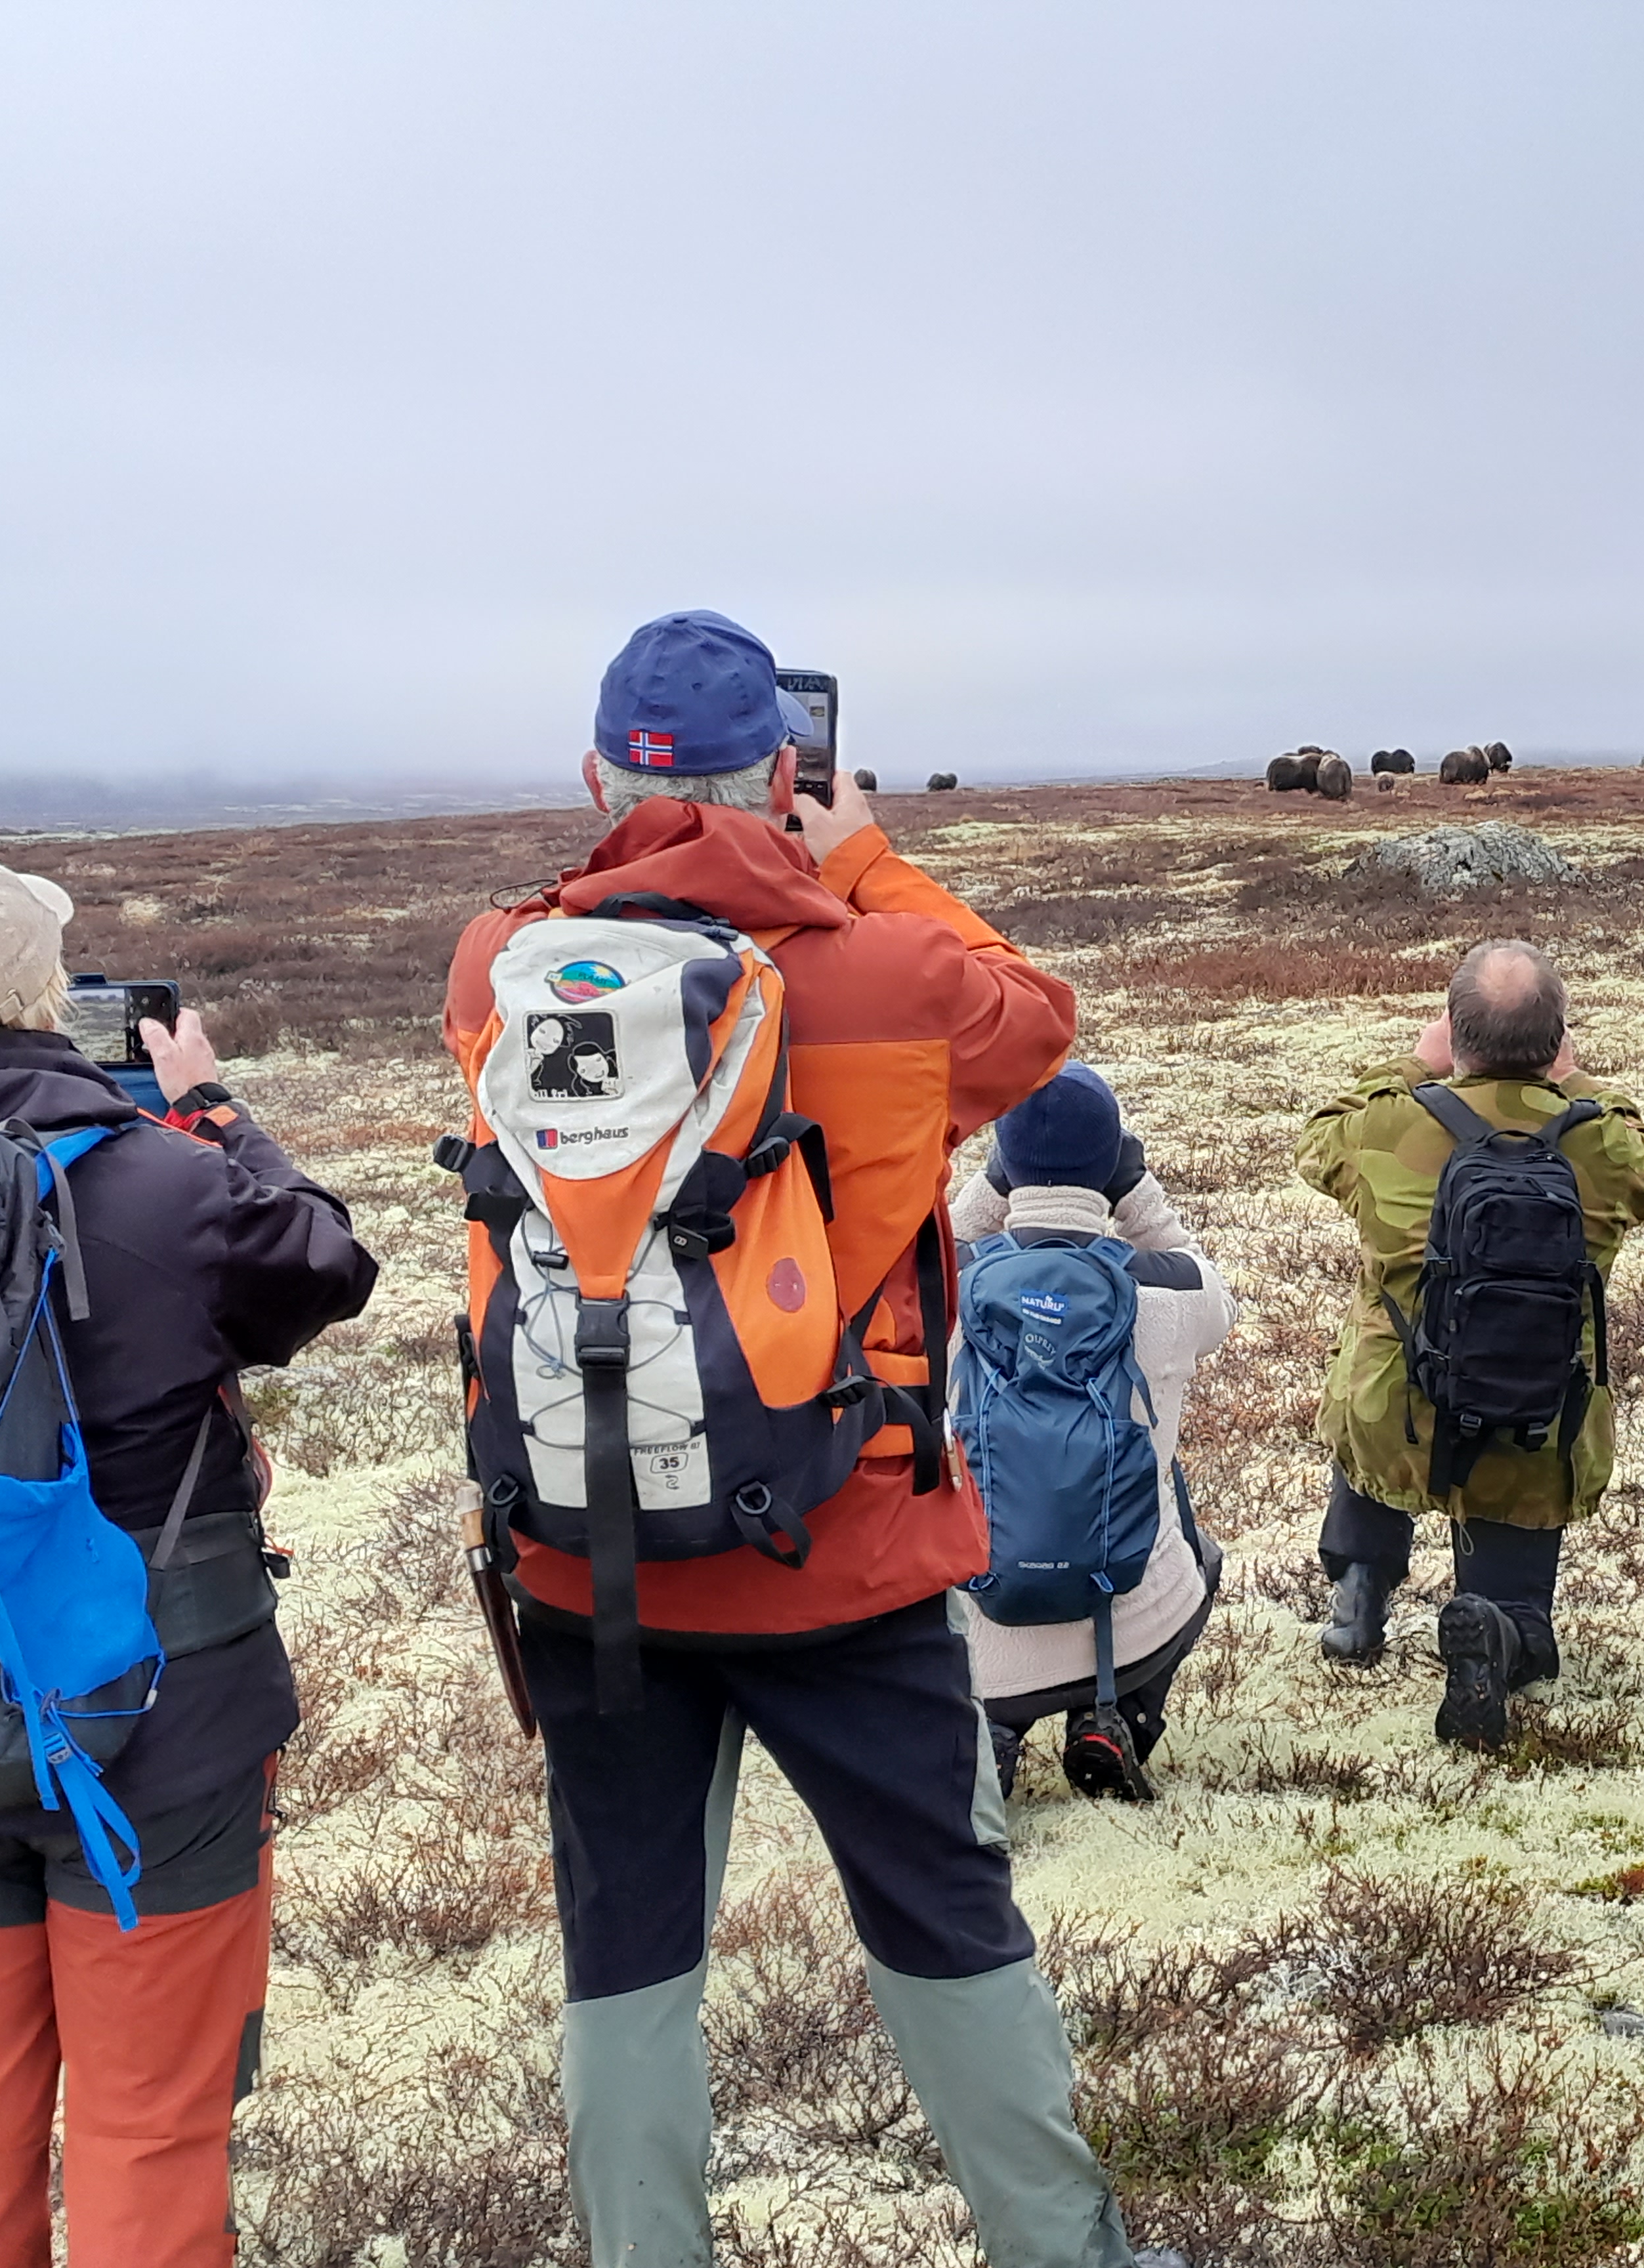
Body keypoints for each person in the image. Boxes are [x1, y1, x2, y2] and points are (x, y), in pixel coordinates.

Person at [442, 612, 1133, 2268]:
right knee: (945, 1916)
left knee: (626, 1950)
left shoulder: (495, 969)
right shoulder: (887, 975)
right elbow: (1038, 1021)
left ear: (597, 778)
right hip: (845, 1546)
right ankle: (1063, 2249)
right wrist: (862, 858)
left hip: (588, 1545)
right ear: (783, 769)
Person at [0, 849, 377, 2267]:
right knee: (151, 2129)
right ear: (43, 997)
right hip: (161, 1728)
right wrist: (212, 1110)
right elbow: (325, 1265)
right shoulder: (163, 1181)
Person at [1296, 940, 1644, 1748]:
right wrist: (1575, 1082)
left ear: (1454, 1031)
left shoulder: (1385, 1127)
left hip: (1397, 1421)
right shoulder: (1604, 1146)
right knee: (1518, 1608)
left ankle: (1359, 1592)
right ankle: (1501, 1631)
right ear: (1558, 1037)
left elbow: (1317, 1139)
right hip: (1533, 1422)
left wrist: (1414, 1063)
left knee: (1380, 1350)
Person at [950, 1064, 1236, 1800]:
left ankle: (995, 1729)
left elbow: (917, 1256)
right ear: (1112, 1160)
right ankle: (1115, 1718)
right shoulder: (1167, 1291)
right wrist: (1137, 1193)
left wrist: (990, 1188)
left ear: (1006, 1163)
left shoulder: (947, 1283)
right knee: (1199, 1549)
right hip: (1129, 1623)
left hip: (980, 1631)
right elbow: (1215, 1292)